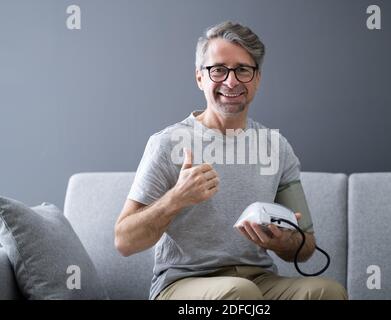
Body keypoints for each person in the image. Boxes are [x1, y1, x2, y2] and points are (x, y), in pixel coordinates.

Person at [114, 21, 347, 300]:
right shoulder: (168, 143)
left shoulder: (276, 146)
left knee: (328, 292)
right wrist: (176, 197)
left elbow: (307, 247)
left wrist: (286, 242)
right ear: (200, 78)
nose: (231, 81)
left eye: (243, 70)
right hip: (181, 285)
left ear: (257, 78)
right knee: (240, 293)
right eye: (218, 69)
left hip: (259, 280)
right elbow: (124, 241)